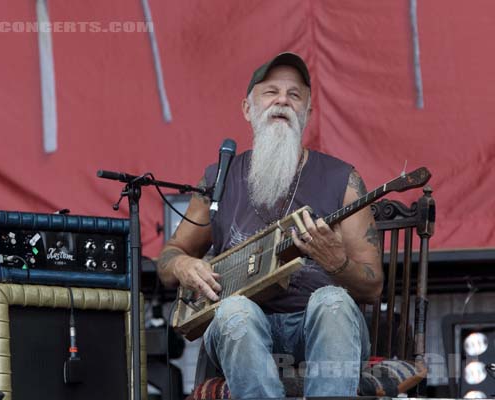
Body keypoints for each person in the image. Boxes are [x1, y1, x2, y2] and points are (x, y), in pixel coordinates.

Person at [157, 52, 383, 398]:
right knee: (235, 309)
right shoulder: (219, 178)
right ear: (247, 109)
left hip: (320, 327)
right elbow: (170, 256)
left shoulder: (344, 180)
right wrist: (183, 264)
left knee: (332, 301)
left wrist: (337, 262)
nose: (282, 100)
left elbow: (372, 287)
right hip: (244, 327)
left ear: (307, 112)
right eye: (270, 92)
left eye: (295, 95)